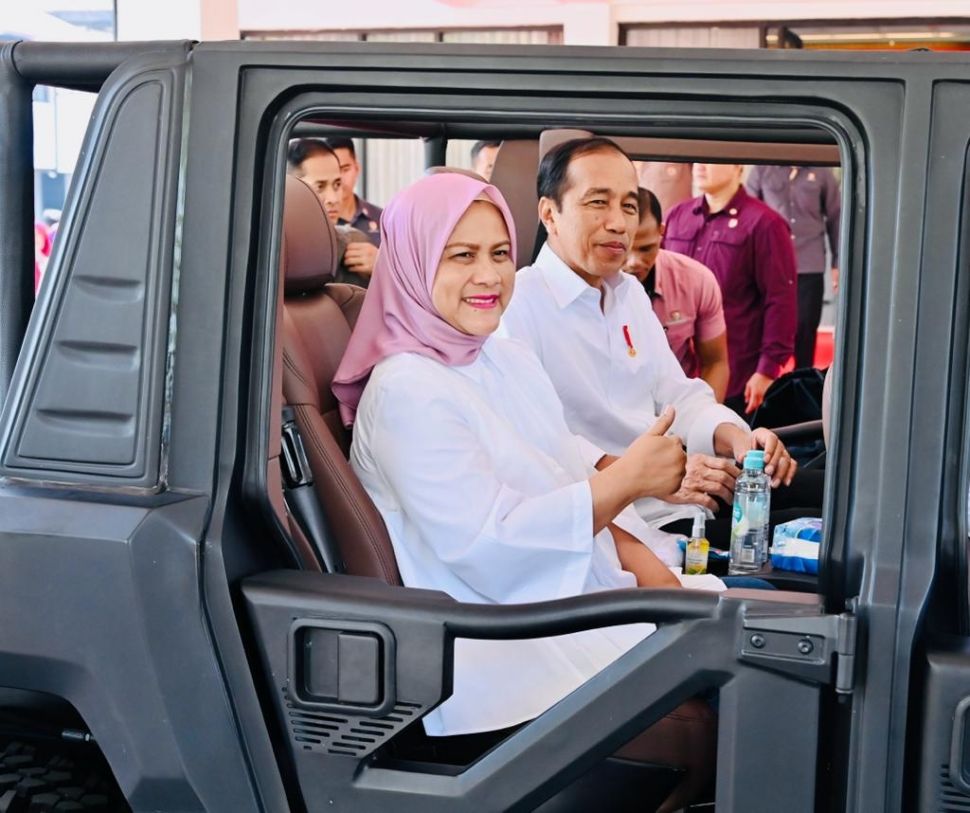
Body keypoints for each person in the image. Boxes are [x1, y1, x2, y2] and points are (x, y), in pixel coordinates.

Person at [332, 171, 725, 762]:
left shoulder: (501, 355)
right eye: (460, 256)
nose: (489, 276)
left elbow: (566, 469)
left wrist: (655, 573)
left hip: (576, 604)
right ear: (412, 264)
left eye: (499, 254)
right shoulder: (406, 390)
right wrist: (628, 482)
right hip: (505, 648)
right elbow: (491, 546)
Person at [500, 137, 815, 551]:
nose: (618, 223)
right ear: (549, 213)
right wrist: (648, 477)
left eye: (628, 206)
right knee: (820, 538)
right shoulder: (518, 306)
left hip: (685, 495)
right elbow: (539, 443)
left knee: (833, 494)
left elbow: (677, 397)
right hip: (624, 524)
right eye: (598, 203)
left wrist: (737, 439)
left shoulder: (627, 294)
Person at [663, 163, 798, 416]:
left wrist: (767, 369)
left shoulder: (765, 224)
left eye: (712, 158)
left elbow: (780, 301)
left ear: (738, 166)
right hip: (676, 374)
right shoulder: (676, 216)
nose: (700, 166)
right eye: (697, 159)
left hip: (736, 376)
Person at [624, 187, 729, 402]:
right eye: (625, 249)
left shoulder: (696, 280)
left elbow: (715, 363)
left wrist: (705, 419)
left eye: (646, 249)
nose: (634, 262)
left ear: (661, 232)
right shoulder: (591, 285)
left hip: (678, 406)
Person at [747, 164, 841, 369]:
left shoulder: (822, 172)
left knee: (805, 329)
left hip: (809, 263)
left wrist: (838, 261)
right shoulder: (762, 170)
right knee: (763, 327)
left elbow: (836, 218)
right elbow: (749, 215)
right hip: (770, 264)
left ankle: (802, 383)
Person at [287, 139, 374, 287]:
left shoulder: (354, 244)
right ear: (290, 189)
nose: (334, 199)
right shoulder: (270, 249)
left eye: (337, 184)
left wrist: (383, 270)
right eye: (320, 186)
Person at [325, 136, 382, 277]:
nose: (340, 179)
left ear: (357, 168)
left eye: (345, 169)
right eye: (334, 171)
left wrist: (383, 263)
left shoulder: (384, 220)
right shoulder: (318, 225)